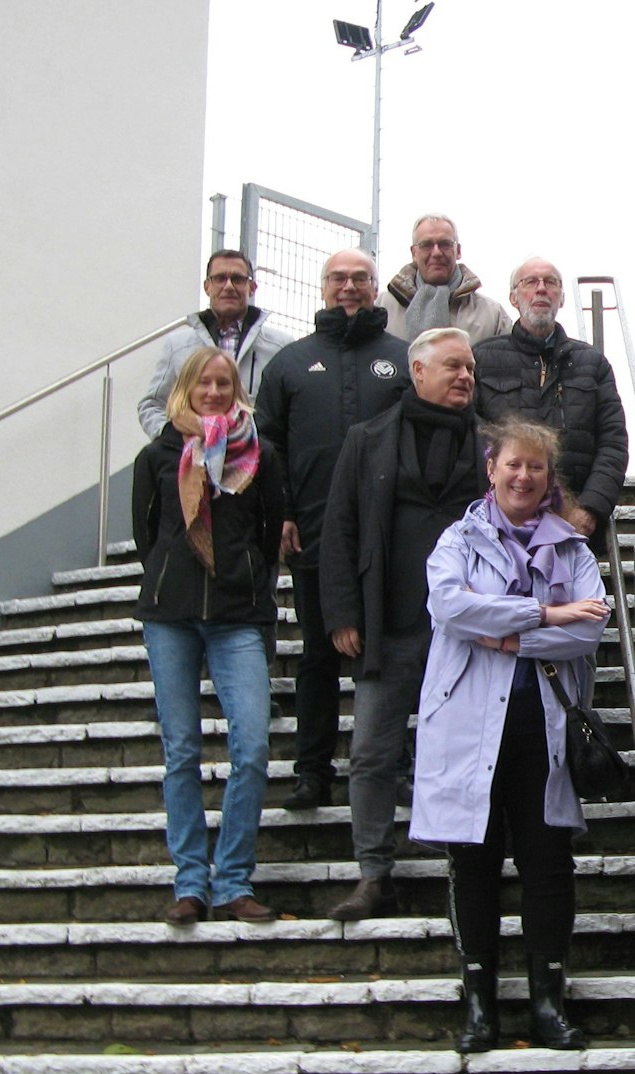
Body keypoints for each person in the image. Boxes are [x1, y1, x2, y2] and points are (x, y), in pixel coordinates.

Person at [410, 419, 611, 1053]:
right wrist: (545, 614)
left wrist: (504, 635)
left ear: (551, 479)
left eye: (537, 468)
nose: (523, 477)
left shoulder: (575, 550)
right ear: (492, 469)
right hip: (469, 725)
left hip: (543, 727)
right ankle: (480, 1004)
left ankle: (549, 1002)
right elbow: (450, 607)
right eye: (513, 466)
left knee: (548, 865)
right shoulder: (457, 539)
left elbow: (590, 629)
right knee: (473, 864)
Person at [321, 327, 489, 922]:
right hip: (388, 623)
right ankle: (373, 873)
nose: (465, 376)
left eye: (469, 367)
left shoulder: (491, 444)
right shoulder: (367, 440)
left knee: (464, 752)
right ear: (417, 372)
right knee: (371, 753)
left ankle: (465, 871)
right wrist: (341, 613)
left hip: (467, 630)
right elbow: (338, 528)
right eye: (453, 366)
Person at [131, 346, 286, 926]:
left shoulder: (261, 454)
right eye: (205, 383)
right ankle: (191, 883)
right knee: (183, 752)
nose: (215, 392)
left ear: (236, 389)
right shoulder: (159, 455)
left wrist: (246, 578)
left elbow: (270, 533)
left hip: (237, 615)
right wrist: (174, 575)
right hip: (170, 617)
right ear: (187, 389)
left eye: (224, 382)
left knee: (252, 747)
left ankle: (235, 881)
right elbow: (147, 535)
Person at [254, 248, 411, 814]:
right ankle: (311, 772)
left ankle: (395, 766)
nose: (350, 287)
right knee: (319, 656)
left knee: (396, 656)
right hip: (317, 534)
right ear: (323, 288)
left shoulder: (403, 358)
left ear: (376, 287)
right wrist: (283, 513)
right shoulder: (290, 365)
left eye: (361, 279)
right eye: (339, 279)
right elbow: (266, 448)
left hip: (394, 539)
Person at [471, 257, 629, 543]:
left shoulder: (592, 363)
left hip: (573, 523)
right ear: (513, 297)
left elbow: (613, 442)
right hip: (497, 523)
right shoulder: (482, 359)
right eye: (530, 282)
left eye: (551, 283)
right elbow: (471, 433)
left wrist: (591, 507)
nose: (541, 289)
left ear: (562, 298)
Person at [137, 249, 297, 438]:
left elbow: (292, 411)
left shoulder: (280, 347)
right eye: (220, 278)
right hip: (191, 461)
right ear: (207, 287)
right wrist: (172, 441)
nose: (228, 286)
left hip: (257, 461)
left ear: (252, 287)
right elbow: (152, 404)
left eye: (237, 279)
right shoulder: (178, 346)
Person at [383, 214, 513, 342]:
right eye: (426, 245)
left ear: (459, 250)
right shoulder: (382, 308)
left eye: (445, 244)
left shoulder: (492, 316)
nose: (436, 253)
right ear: (414, 253)